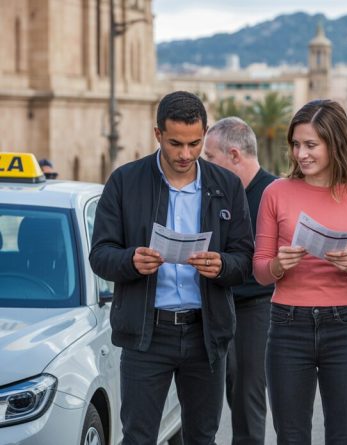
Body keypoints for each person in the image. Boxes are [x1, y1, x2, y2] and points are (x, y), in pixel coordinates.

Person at [89, 91, 254, 445]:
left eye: (195, 144)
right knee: (138, 437)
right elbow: (100, 255)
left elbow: (245, 260)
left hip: (205, 335)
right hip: (146, 336)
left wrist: (222, 265)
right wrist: (131, 260)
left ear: (205, 134)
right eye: (176, 143)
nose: (185, 154)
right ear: (157, 134)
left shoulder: (226, 186)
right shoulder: (124, 181)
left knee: (202, 437)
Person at [253, 99, 347, 445]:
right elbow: (260, 272)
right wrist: (280, 265)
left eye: (311, 145)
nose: (301, 154)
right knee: (291, 436)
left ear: (335, 143)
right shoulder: (275, 193)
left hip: (345, 328)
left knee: (344, 436)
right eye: (296, 145)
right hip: (287, 326)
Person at [203, 116, 277, 445]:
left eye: (209, 157)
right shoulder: (216, 193)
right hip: (212, 303)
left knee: (246, 396)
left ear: (234, 156)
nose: (203, 165)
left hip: (255, 308)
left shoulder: (274, 195)